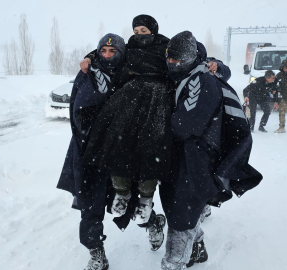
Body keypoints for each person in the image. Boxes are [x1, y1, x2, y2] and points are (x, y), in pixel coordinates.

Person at [56, 33, 164, 270]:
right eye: (102, 51)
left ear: (121, 53)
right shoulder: (88, 72)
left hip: (122, 151)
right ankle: (96, 254)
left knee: (131, 205)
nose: (106, 56)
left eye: (112, 51)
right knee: (90, 206)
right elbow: (77, 108)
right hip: (89, 151)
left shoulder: (131, 74)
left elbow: (164, 60)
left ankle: (153, 223)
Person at [160, 31, 263, 270]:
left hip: (194, 159)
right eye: (169, 59)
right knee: (181, 206)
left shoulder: (200, 79)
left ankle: (174, 263)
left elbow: (185, 125)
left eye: (178, 60)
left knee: (180, 215)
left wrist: (161, 127)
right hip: (185, 157)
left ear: (191, 58)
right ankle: (197, 250)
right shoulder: (184, 75)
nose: (172, 64)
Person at [81, 14, 173, 226]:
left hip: (157, 102)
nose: (139, 35)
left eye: (144, 30)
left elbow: (190, 56)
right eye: (136, 31)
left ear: (153, 30)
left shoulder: (165, 46)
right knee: (116, 144)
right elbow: (106, 52)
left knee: (151, 150)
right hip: (129, 101)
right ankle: (121, 193)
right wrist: (89, 57)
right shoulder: (128, 48)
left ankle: (146, 199)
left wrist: (215, 65)